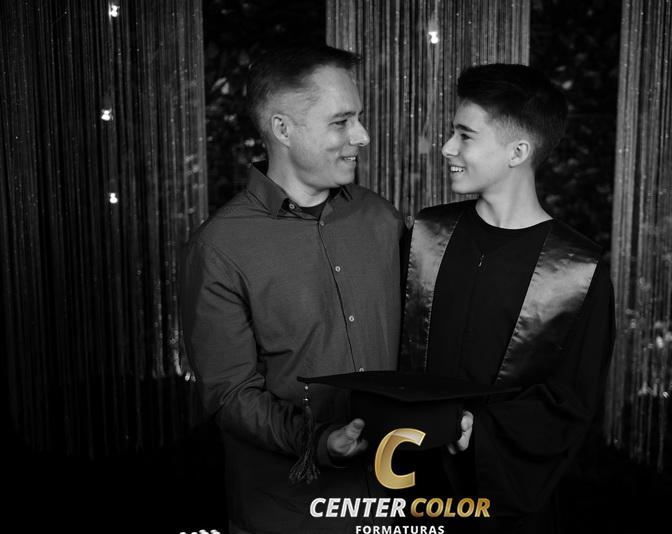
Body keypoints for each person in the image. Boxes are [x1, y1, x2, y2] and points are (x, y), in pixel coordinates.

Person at [180, 44, 405, 534]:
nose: (362, 136)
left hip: (392, 505)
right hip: (288, 514)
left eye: (359, 118)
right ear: (282, 129)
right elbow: (231, 394)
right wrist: (319, 441)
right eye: (342, 122)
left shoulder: (381, 218)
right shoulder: (219, 247)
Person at [400, 64, 616, 533]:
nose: (447, 148)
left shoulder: (577, 269)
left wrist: (478, 431)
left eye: (465, 136)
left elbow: (572, 400)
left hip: (504, 502)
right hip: (408, 483)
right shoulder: (426, 235)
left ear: (518, 151)